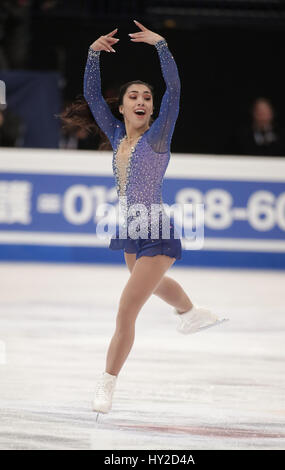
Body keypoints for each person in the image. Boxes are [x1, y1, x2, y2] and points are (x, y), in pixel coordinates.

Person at [62, 20, 227, 417]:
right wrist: (92, 53)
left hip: (158, 231)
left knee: (125, 311)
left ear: (152, 109)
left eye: (147, 98)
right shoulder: (118, 135)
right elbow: (89, 94)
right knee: (153, 286)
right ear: (121, 107)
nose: (142, 100)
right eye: (133, 96)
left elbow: (175, 90)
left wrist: (163, 46)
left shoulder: (158, 137)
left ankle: (107, 384)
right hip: (130, 231)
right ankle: (190, 313)